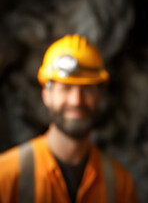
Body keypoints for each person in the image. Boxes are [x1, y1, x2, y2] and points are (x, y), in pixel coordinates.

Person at [0, 34, 138, 203]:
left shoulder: (120, 184)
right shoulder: (5, 176)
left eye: (86, 89)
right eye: (65, 88)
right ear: (46, 95)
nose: (76, 100)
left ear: (99, 97)